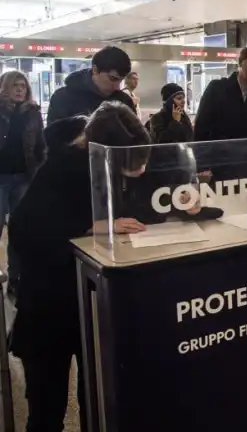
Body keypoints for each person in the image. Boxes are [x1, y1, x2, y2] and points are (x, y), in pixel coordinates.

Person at [9, 102, 150, 432]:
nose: (138, 170)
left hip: (90, 304)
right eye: (129, 163)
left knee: (97, 401)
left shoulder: (98, 161)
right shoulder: (61, 168)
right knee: (47, 408)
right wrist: (92, 225)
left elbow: (133, 207)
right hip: (50, 305)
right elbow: (25, 231)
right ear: (105, 153)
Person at [193, 45, 247, 183]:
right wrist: (202, 166)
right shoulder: (217, 88)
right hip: (219, 166)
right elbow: (201, 129)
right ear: (240, 63)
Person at [0, 71, 45, 295]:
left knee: (18, 229)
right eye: (15, 86)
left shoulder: (33, 113)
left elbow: (40, 144)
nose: (20, 90)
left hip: (24, 177)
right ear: (5, 88)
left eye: (23, 86)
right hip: (1, 178)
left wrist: (40, 170)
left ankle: (16, 276)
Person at [47, 46, 135, 124]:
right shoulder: (62, 99)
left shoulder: (124, 101)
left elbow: (137, 140)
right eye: (113, 79)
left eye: (121, 80)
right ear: (95, 70)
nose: (117, 87)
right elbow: (52, 140)